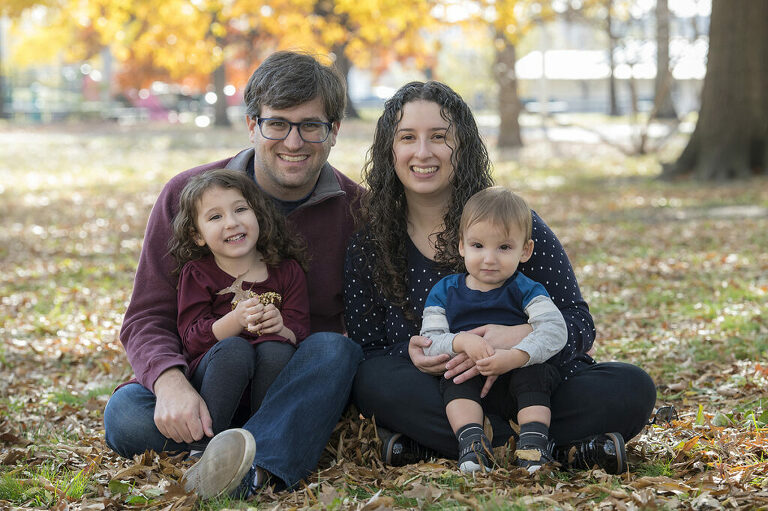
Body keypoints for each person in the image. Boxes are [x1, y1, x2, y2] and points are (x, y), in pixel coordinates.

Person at [344, 80, 656, 476]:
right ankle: (548, 447)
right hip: (442, 391)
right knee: (373, 381)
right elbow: (367, 349)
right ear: (391, 148)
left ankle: (453, 447)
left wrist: (520, 338)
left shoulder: (511, 224)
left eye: (439, 137)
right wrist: (415, 354)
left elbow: (578, 324)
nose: (423, 152)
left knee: (632, 386)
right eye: (408, 137)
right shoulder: (369, 245)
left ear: (464, 146)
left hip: (531, 383)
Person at [104, 51, 364, 499]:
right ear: (251, 124)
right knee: (125, 413)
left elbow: (364, 327)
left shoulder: (357, 211)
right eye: (277, 123)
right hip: (203, 383)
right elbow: (146, 317)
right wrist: (170, 385)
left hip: (288, 381)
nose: (294, 142)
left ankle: (248, 469)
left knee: (335, 350)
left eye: (311, 126)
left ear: (334, 131)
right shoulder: (188, 196)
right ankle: (244, 447)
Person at [420, 186, 566, 474]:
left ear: (525, 251)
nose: (489, 258)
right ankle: (472, 444)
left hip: (519, 378)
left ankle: (533, 444)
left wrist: (517, 356)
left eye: (504, 247)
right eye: (478, 246)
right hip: (470, 376)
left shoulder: (526, 289)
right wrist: (461, 342)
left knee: (536, 373)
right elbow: (430, 341)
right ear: (461, 245)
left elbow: (555, 329)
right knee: (455, 380)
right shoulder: (445, 291)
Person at [170, 168, 310, 437]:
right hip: (217, 384)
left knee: (276, 348)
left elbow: (300, 332)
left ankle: (263, 439)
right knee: (235, 349)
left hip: (269, 380)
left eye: (240, 210)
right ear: (197, 235)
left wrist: (280, 327)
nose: (231, 223)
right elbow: (192, 338)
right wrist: (235, 320)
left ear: (258, 214)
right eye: (215, 217)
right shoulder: (198, 274)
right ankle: (207, 445)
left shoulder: (287, 271)